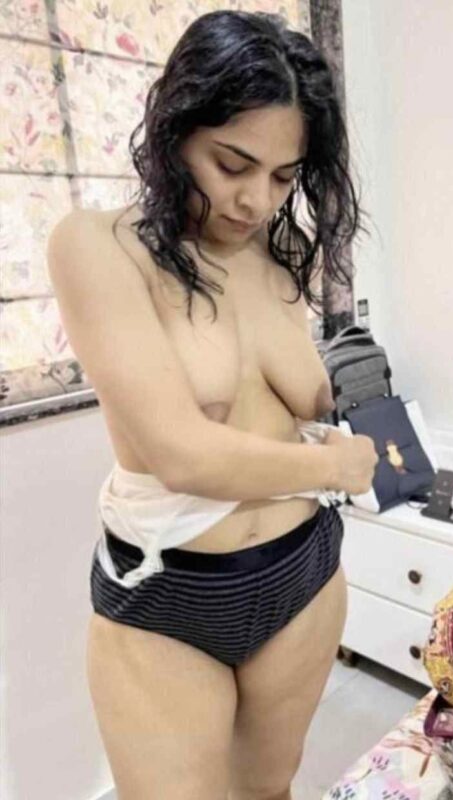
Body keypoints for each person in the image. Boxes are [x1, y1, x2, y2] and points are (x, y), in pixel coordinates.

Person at [47, 10, 378, 800]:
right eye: (232, 164)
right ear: (175, 130)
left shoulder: (279, 254)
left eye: (284, 176)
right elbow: (182, 453)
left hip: (303, 571)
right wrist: (335, 466)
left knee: (269, 789)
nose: (255, 201)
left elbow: (301, 399)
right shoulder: (97, 246)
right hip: (169, 591)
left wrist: (359, 407)